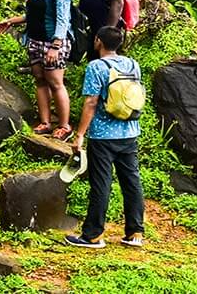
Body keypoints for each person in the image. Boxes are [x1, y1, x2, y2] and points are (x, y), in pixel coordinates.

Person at [65, 26, 145, 250]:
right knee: (132, 181)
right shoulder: (132, 64)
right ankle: (135, 232)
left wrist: (79, 134)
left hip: (103, 135)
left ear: (98, 41)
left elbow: (91, 102)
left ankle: (92, 235)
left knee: (101, 183)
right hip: (130, 132)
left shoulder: (96, 67)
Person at [0, 0, 73, 139]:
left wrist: (56, 46)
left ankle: (64, 125)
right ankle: (45, 122)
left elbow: (62, 19)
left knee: (55, 82)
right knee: (39, 79)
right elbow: (34, 14)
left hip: (53, 42)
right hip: (35, 40)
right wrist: (13, 21)